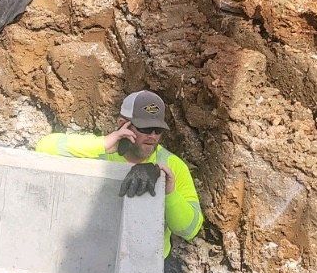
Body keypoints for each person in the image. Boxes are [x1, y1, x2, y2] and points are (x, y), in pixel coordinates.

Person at [35, 90, 203, 257]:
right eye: (146, 128)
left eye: (158, 130)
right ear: (123, 124)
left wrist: (169, 193)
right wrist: (103, 143)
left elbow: (190, 229)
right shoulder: (101, 152)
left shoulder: (173, 166)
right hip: (94, 254)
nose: (152, 136)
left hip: (145, 263)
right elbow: (45, 146)